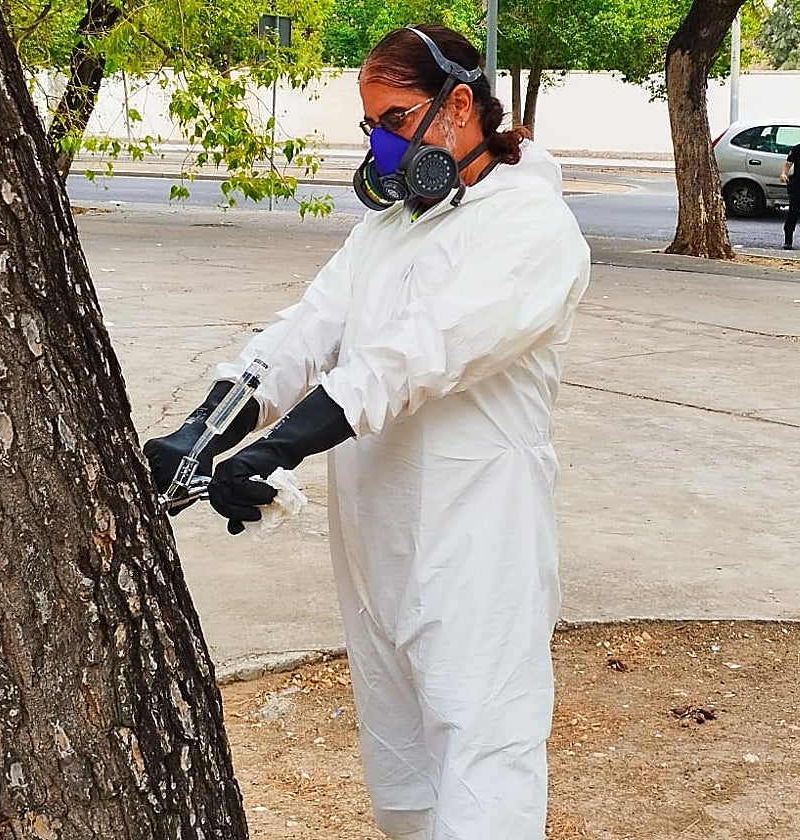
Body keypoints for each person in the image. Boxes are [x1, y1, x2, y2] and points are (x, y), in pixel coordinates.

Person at [145, 24, 590, 840]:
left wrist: (278, 448)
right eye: (370, 126)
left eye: (395, 121)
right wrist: (201, 432)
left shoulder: (531, 230)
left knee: (483, 758)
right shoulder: (383, 234)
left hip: (478, 546)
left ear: (460, 107)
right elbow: (298, 337)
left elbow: (413, 357)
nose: (380, 146)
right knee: (404, 780)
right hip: (378, 547)